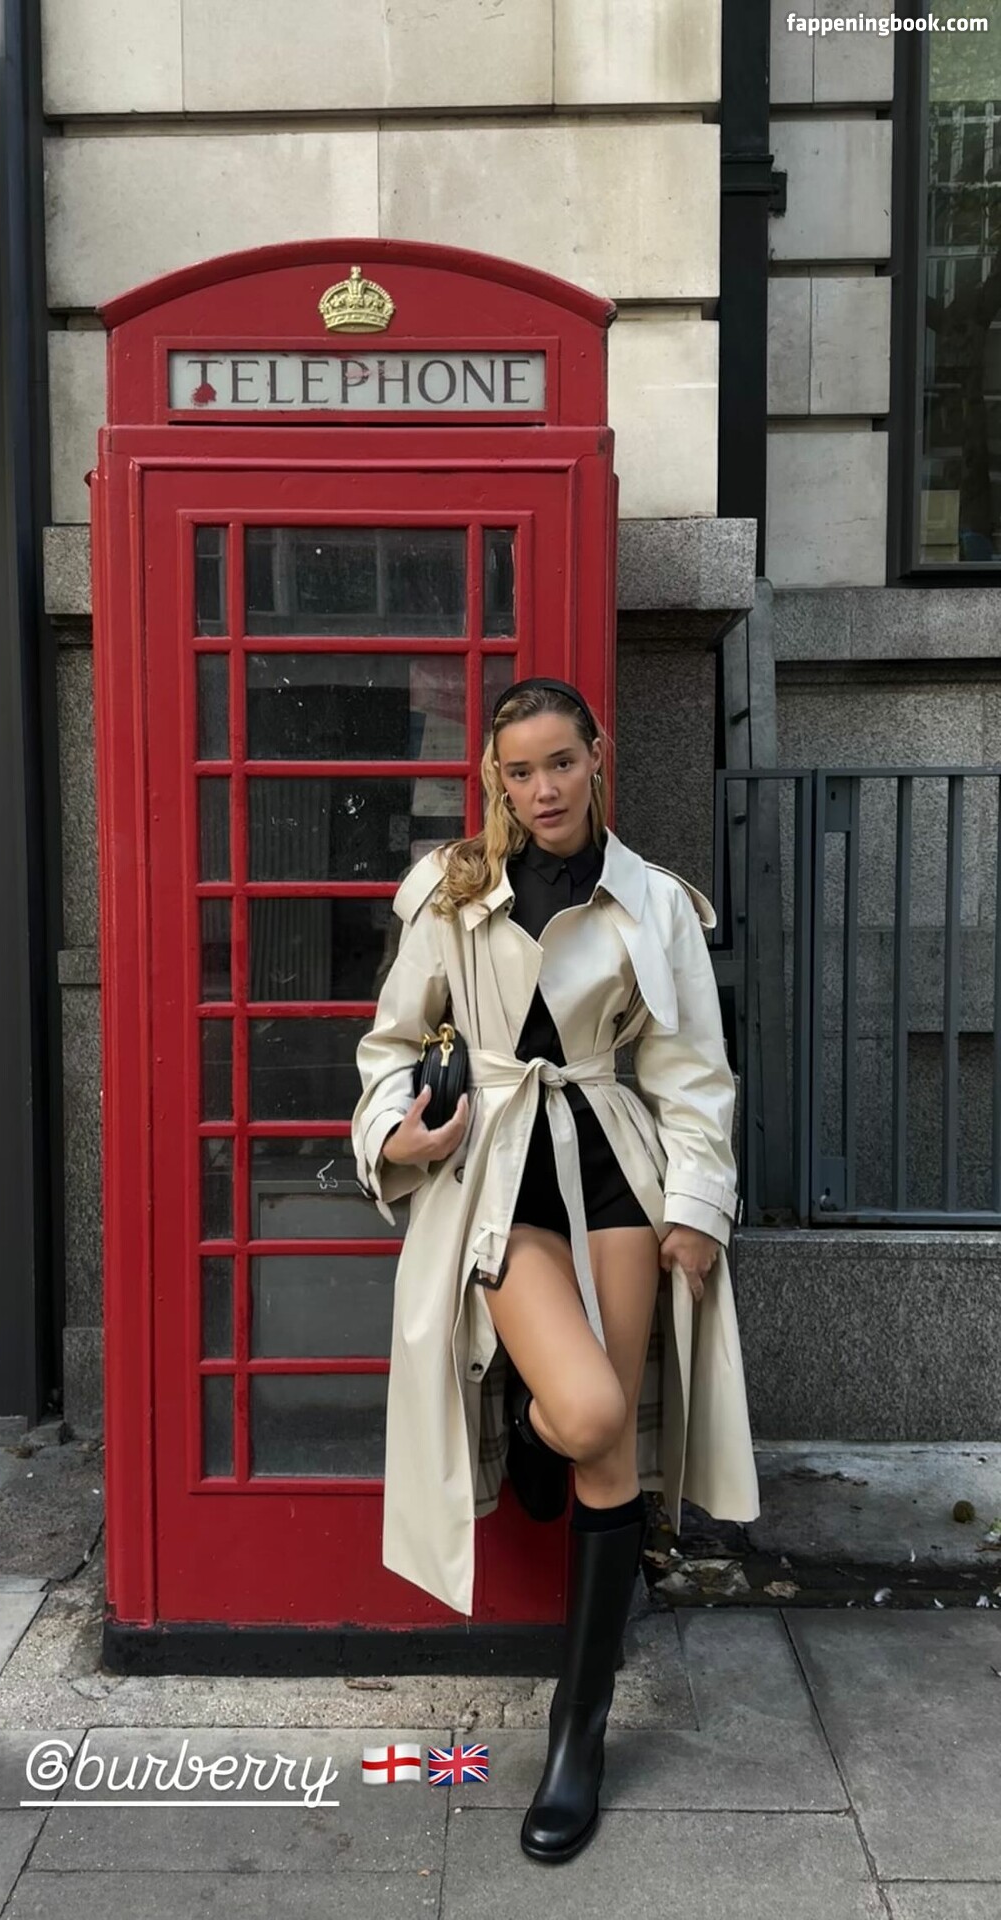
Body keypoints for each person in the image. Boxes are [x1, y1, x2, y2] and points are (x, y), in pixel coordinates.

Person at [350, 676, 759, 1866]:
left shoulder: (653, 902)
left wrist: (698, 1209)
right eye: (520, 771)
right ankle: (536, 1438)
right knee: (584, 1411)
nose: (544, 790)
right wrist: (397, 1133)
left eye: (562, 764)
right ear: (497, 778)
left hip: (613, 1165)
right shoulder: (452, 889)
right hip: (494, 1175)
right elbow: (389, 1044)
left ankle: (576, 1737)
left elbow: (691, 1070)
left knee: (609, 1450)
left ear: (598, 758)